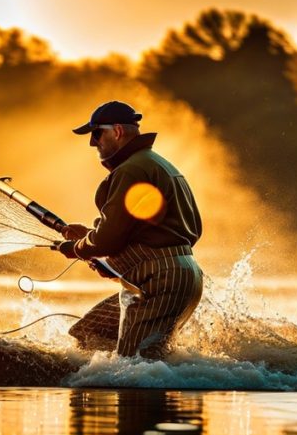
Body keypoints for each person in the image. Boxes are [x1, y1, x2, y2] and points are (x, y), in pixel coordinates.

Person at [56, 101, 204, 359]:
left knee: (134, 365)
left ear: (117, 131)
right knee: (89, 334)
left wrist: (78, 248)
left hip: (162, 280)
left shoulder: (132, 169)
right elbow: (144, 228)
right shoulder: (155, 163)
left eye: (96, 133)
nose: (93, 142)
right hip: (177, 276)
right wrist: (92, 236)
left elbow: (109, 240)